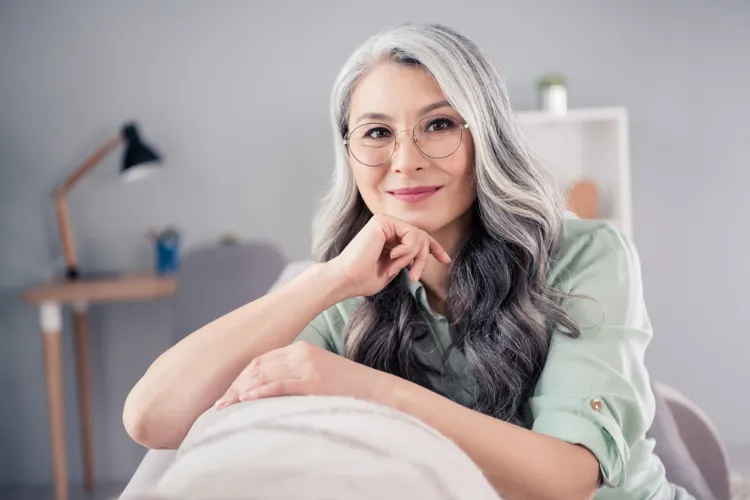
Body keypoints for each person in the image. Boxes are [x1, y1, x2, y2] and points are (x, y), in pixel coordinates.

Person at [124, 22, 693, 500]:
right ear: (349, 152)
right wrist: (330, 278)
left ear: (486, 136)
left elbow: (567, 480)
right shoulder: (350, 287)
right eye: (376, 133)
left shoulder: (586, 255)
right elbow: (151, 418)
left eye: (439, 125)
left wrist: (359, 386)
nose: (405, 160)